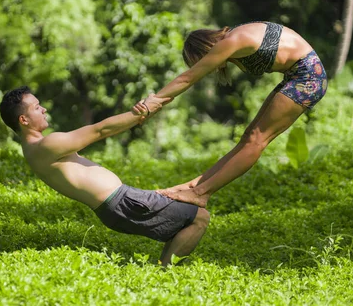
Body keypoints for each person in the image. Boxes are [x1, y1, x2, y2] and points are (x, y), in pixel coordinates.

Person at [0, 86, 210, 266]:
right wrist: (140, 112)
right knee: (200, 217)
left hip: (117, 205)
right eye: (37, 107)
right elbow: (100, 130)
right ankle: (165, 273)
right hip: (122, 202)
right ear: (24, 119)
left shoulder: (34, 150)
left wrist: (137, 115)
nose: (44, 109)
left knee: (184, 219)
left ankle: (162, 270)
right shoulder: (46, 145)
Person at [134, 21, 327, 208]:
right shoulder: (233, 36)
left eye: (200, 61)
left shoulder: (232, 41)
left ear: (205, 48)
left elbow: (187, 79)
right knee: (247, 138)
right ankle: (193, 186)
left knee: (257, 140)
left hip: (309, 77)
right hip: (297, 75)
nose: (210, 68)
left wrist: (153, 101)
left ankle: (201, 194)